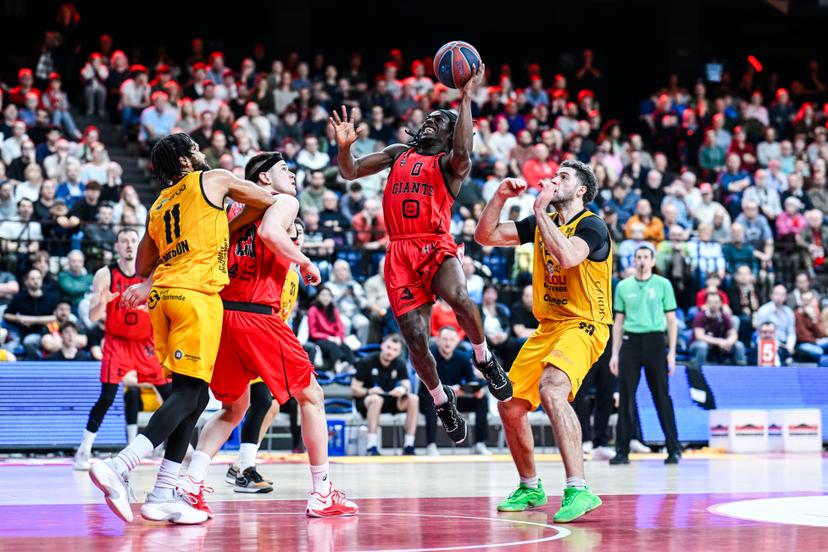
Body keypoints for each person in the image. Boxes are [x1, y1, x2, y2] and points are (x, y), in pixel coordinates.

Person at [88, 133, 276, 525]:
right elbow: (265, 201)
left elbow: (143, 263)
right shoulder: (215, 179)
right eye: (193, 147)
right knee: (189, 394)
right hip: (197, 296)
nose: (200, 150)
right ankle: (121, 465)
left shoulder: (157, 205)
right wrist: (227, 221)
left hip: (163, 299)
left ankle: (163, 493)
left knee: (192, 395)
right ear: (186, 160)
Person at [331, 63, 512, 446]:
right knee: (415, 338)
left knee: (459, 297)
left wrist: (464, 98)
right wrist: (345, 148)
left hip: (434, 241)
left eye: (440, 121)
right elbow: (350, 172)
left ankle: (483, 357)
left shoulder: (449, 164)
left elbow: (464, 149)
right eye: (428, 118)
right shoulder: (398, 153)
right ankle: (440, 400)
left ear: (450, 134)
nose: (430, 122)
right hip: (399, 250)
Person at [179, 152, 356, 517]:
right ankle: (322, 491)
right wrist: (304, 260)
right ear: (262, 179)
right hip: (255, 314)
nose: (291, 176)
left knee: (234, 407)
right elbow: (271, 232)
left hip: (220, 317)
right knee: (312, 395)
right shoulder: (283, 201)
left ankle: (190, 482)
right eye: (283, 170)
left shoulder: (228, 212)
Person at [475, 160, 611, 522]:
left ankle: (578, 488)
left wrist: (538, 209)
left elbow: (567, 257)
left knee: (552, 388)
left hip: (586, 323)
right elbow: (485, 236)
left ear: (581, 190)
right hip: (549, 325)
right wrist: (500, 197)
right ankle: (530, 486)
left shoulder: (593, 226)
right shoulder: (540, 222)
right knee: (510, 404)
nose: (554, 180)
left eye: (563, 177)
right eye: (554, 175)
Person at [74, 228, 172, 470]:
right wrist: (101, 301)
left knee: (169, 395)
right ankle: (83, 451)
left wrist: (148, 309)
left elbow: (162, 306)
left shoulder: (149, 273)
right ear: (116, 246)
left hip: (145, 343)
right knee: (107, 397)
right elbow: (92, 315)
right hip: (117, 342)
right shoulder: (105, 274)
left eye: (132, 241)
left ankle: (185, 449)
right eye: (124, 241)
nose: (129, 245)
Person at [609, 246, 681, 466]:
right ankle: (622, 451)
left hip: (655, 342)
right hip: (631, 342)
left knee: (661, 395)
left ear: (652, 261)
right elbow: (618, 322)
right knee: (626, 397)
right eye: (638, 257)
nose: (641, 261)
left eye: (645, 257)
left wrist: (672, 353)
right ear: (634, 261)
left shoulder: (663, 284)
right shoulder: (623, 286)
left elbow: (671, 320)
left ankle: (673, 449)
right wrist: (615, 353)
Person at [419, 326, 490, 456]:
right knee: (429, 401)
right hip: (432, 400)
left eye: (451, 339)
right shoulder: (428, 358)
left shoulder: (462, 358)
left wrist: (474, 390)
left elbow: (471, 380)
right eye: (445, 339)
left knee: (482, 399)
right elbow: (425, 386)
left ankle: (480, 443)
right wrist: (450, 390)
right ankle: (431, 445)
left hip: (455, 398)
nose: (448, 343)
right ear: (438, 340)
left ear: (457, 341)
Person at [351, 333, 419, 455]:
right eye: (388, 347)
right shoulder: (367, 361)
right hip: (367, 400)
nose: (390, 352)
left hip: (389, 399)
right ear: (382, 345)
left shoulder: (400, 363)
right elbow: (355, 389)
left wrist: (402, 390)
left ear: (398, 352)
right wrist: (369, 391)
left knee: (413, 399)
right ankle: (371, 446)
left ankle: (409, 445)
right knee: (377, 399)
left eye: (395, 350)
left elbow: (407, 384)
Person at [689, 291, 747, 366]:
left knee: (739, 345)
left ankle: (741, 371)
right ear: (706, 303)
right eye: (710, 302)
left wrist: (728, 342)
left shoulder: (724, 316)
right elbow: (699, 336)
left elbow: (733, 334)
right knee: (702, 346)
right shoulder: (700, 316)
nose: (713, 305)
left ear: (721, 303)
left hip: (720, 345)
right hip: (697, 344)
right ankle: (698, 370)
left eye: (716, 302)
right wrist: (719, 341)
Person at [755, 285, 797, 365]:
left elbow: (791, 333)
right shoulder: (763, 310)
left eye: (782, 294)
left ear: (785, 297)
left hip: (784, 345)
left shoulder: (789, 312)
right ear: (771, 295)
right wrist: (774, 344)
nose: (779, 297)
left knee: (788, 355)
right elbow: (759, 332)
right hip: (767, 342)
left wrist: (790, 345)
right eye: (777, 294)